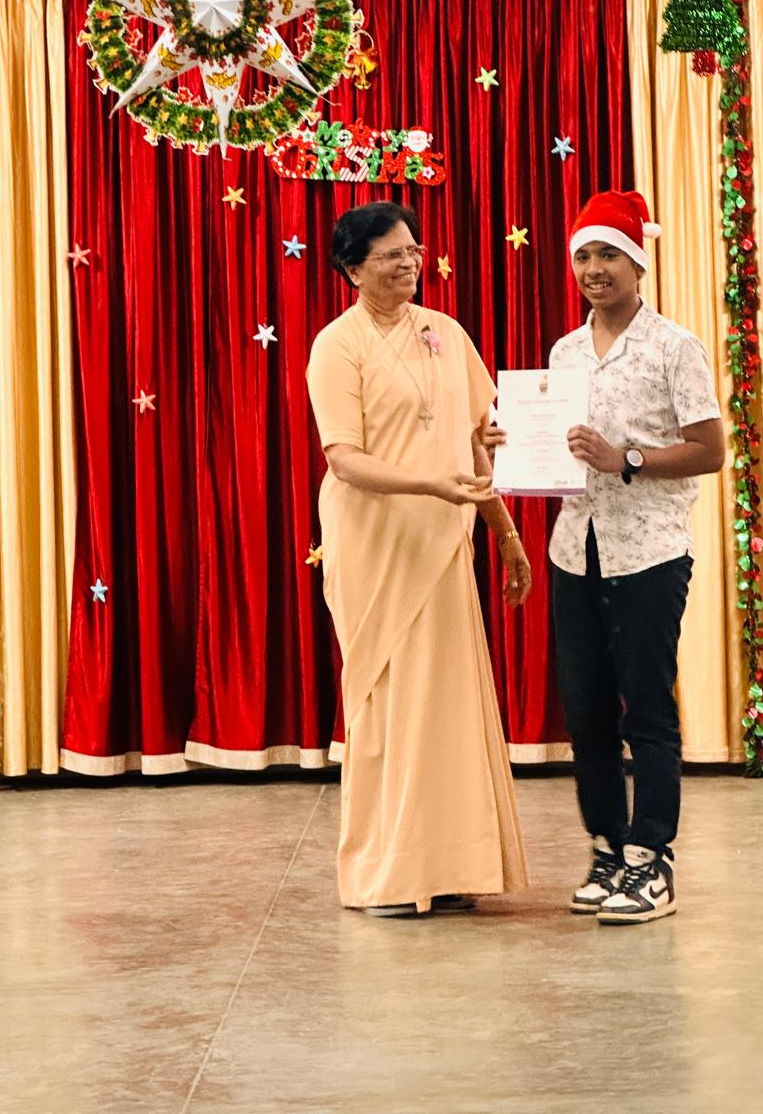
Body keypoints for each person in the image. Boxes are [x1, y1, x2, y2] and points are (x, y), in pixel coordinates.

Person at [484, 190, 724, 925]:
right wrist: (506, 446)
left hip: (649, 551)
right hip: (574, 549)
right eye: (583, 255)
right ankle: (607, 849)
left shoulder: (674, 346)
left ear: (638, 264)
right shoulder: (563, 353)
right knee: (586, 708)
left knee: (645, 705)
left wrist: (627, 458)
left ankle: (652, 857)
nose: (594, 268)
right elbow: (552, 452)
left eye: (609, 254)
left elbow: (710, 450)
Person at [306, 200, 531, 918]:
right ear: (352, 270)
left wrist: (505, 534)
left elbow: (476, 443)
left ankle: (453, 867)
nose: (409, 263)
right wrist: (433, 484)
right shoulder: (336, 346)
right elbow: (344, 460)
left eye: (413, 250)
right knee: (390, 704)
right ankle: (387, 875)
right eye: (391, 255)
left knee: (448, 706)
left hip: (443, 541)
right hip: (374, 543)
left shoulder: (447, 333)